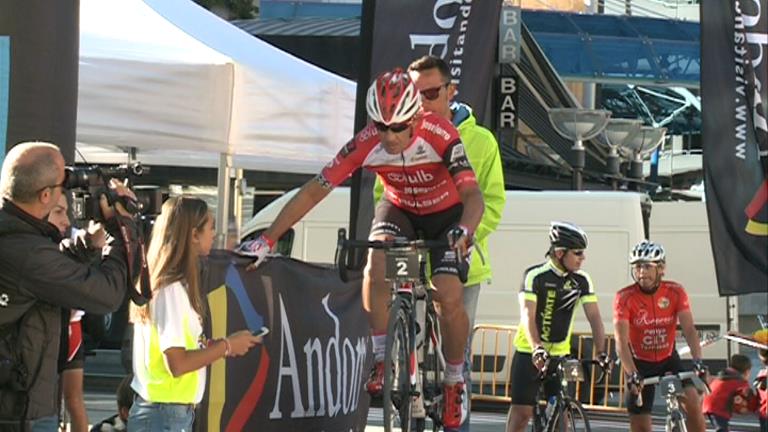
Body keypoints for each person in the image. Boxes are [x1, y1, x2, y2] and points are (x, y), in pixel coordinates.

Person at [237, 68, 485, 430]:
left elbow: (472, 195)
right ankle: (384, 358)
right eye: (381, 126)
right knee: (375, 265)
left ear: (416, 117)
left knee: (448, 295)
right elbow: (313, 190)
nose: (389, 135)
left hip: (445, 214)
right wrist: (268, 238)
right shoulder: (366, 142)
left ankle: (453, 379)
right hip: (399, 208)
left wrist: (465, 228)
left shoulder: (441, 133)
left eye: (398, 127)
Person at [372, 55, 506, 431]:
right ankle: (400, 385)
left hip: (459, 253)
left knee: (455, 355)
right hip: (412, 246)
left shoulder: (479, 140)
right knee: (401, 321)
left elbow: (491, 202)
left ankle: (452, 403)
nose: (424, 101)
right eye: (417, 93)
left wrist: (465, 235)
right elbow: (384, 193)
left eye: (431, 93)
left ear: (451, 91)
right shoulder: (401, 132)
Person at [0, 142, 141, 431]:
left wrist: (88, 244)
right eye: (63, 180)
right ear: (45, 195)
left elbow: (47, 271)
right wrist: (120, 230)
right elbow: (106, 295)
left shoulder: (17, 237)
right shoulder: (27, 252)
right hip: (19, 413)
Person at [128, 196, 263, 432]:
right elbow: (177, 364)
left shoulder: (166, 286)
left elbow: (175, 351)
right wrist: (226, 346)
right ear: (193, 235)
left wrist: (216, 345)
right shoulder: (171, 290)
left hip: (164, 413)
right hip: (165, 414)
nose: (214, 235)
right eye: (210, 228)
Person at [505, 222, 608, 432]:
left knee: (562, 418)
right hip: (529, 353)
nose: (583, 258)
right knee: (522, 414)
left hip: (560, 356)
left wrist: (603, 352)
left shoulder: (582, 280)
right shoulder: (535, 276)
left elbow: (595, 317)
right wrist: (536, 347)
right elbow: (528, 314)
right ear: (560, 253)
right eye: (577, 253)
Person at [614, 239, 708, 432]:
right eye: (638, 267)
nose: (641, 273)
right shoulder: (624, 298)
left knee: (692, 403)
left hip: (668, 360)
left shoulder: (675, 292)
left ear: (661, 268)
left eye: (647, 267)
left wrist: (698, 359)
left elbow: (689, 329)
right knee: (640, 425)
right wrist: (632, 373)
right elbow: (621, 342)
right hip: (639, 364)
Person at [47, 194, 104, 432]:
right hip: (52, 332)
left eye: (67, 212)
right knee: (52, 403)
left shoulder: (73, 240)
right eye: (59, 212)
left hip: (70, 329)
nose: (66, 220)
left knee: (72, 399)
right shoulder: (30, 246)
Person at [703, 354, 758, 431]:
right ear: (747, 371)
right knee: (721, 428)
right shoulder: (741, 383)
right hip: (719, 408)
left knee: (721, 427)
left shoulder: (723, 375)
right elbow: (748, 399)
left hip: (707, 403)